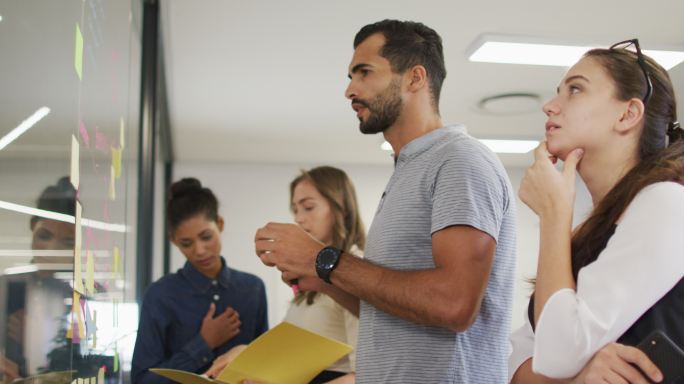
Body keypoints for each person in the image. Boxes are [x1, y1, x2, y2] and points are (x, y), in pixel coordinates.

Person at [254, 20, 516, 383]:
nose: (350, 90)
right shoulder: (407, 170)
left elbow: (454, 304)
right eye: (350, 76)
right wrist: (323, 278)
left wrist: (324, 259)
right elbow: (393, 309)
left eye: (364, 73)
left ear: (415, 78)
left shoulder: (459, 161)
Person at [509, 39, 684, 383]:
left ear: (628, 114)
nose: (550, 106)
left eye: (575, 90)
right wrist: (576, 378)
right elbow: (516, 362)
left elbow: (556, 356)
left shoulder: (666, 202)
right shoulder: (594, 231)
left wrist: (554, 215)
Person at [131, 178, 268, 383]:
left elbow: (265, 364)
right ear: (173, 240)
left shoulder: (253, 289)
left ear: (220, 224)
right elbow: (142, 380)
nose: (199, 251)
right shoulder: (160, 295)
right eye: (186, 243)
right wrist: (203, 344)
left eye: (206, 237)